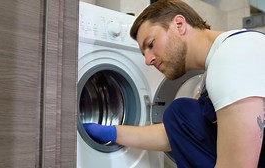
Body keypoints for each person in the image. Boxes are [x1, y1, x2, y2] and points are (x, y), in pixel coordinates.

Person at [83, 0, 265, 167]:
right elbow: (177, 132)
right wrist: (112, 133)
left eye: (151, 44)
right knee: (181, 113)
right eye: (143, 53)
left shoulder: (231, 59)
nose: (148, 60)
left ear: (179, 25)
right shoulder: (229, 52)